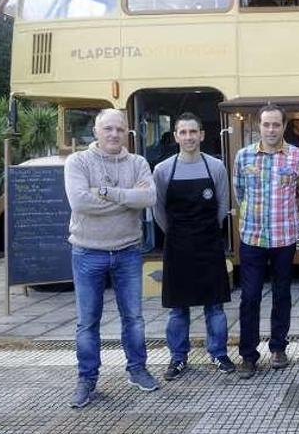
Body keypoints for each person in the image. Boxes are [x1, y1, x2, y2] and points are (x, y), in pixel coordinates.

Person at [64, 108, 158, 408]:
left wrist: (105, 192)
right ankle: (86, 380)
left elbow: (148, 199)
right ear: (96, 131)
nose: (114, 134)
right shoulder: (77, 161)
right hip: (87, 251)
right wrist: (126, 198)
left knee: (134, 318)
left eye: (119, 129)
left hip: (128, 250)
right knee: (87, 322)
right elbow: (80, 201)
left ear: (127, 132)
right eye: (108, 129)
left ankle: (137, 369)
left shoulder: (138, 162)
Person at [152, 112, 235, 380]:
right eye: (183, 132)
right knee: (178, 308)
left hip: (209, 243)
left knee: (216, 306)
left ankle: (219, 354)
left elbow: (222, 206)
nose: (188, 137)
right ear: (175, 136)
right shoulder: (163, 170)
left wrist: (205, 232)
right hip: (177, 246)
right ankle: (177, 358)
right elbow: (159, 211)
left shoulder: (216, 167)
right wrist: (177, 234)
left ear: (202, 135)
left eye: (193, 132)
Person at [234, 102, 299, 378]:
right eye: (266, 124)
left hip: (284, 238)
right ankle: (248, 355)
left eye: (276, 124)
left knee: (282, 294)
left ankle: (279, 347)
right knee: (250, 296)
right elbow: (239, 193)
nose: (271, 129)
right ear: (259, 126)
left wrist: (289, 216)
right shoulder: (243, 157)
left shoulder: (297, 157)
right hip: (252, 238)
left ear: (284, 126)